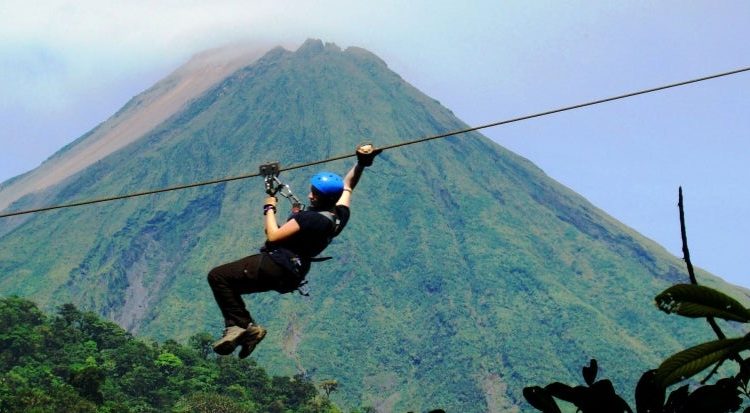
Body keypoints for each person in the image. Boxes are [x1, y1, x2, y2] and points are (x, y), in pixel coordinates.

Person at [207, 144, 381, 358]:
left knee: (218, 276)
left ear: (316, 198)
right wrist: (361, 164)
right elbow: (348, 186)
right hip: (293, 274)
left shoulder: (309, 218)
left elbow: (273, 235)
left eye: (313, 193)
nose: (309, 194)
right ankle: (243, 328)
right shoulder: (339, 216)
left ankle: (243, 327)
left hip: (277, 264)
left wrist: (269, 207)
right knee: (230, 285)